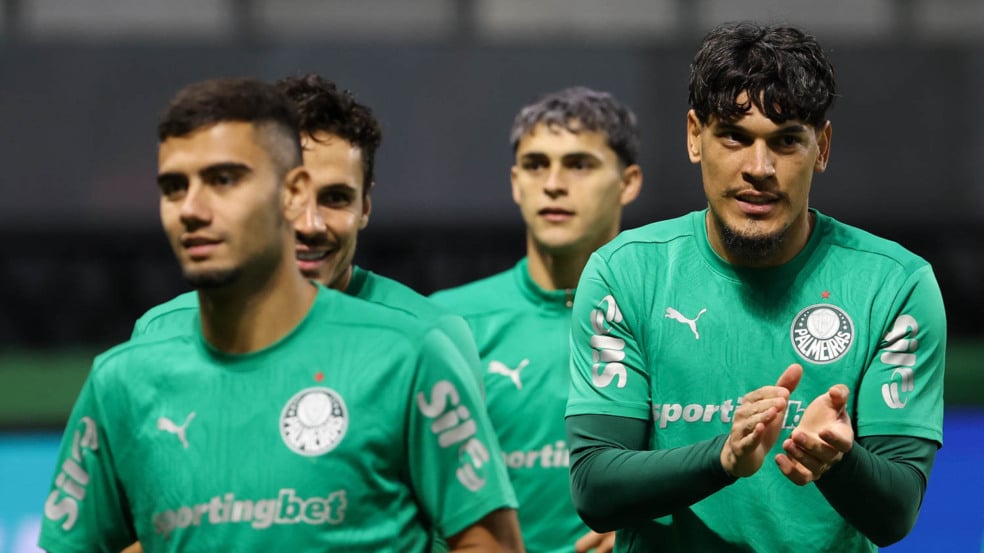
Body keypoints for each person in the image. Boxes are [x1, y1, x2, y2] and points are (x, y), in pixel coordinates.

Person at [39, 77, 522, 552]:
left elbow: (478, 537)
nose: (310, 224)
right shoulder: (132, 364)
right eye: (173, 188)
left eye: (224, 181)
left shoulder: (418, 345)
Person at [565, 22, 946, 552]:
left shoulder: (896, 285)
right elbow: (596, 487)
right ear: (695, 137)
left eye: (787, 140)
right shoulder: (624, 274)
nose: (759, 168)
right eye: (734, 136)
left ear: (823, 147)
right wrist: (724, 458)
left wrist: (836, 459)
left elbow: (896, 513)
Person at [131, 73, 484, 390]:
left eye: (335, 198)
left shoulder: (432, 338)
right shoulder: (162, 333)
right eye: (290, 196)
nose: (309, 225)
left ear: (365, 207)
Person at [432, 86, 642, 553]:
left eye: (579, 164)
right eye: (535, 165)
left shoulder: (667, 317)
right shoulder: (445, 324)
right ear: (514, 182)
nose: (553, 183)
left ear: (628, 182)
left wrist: (649, 524)